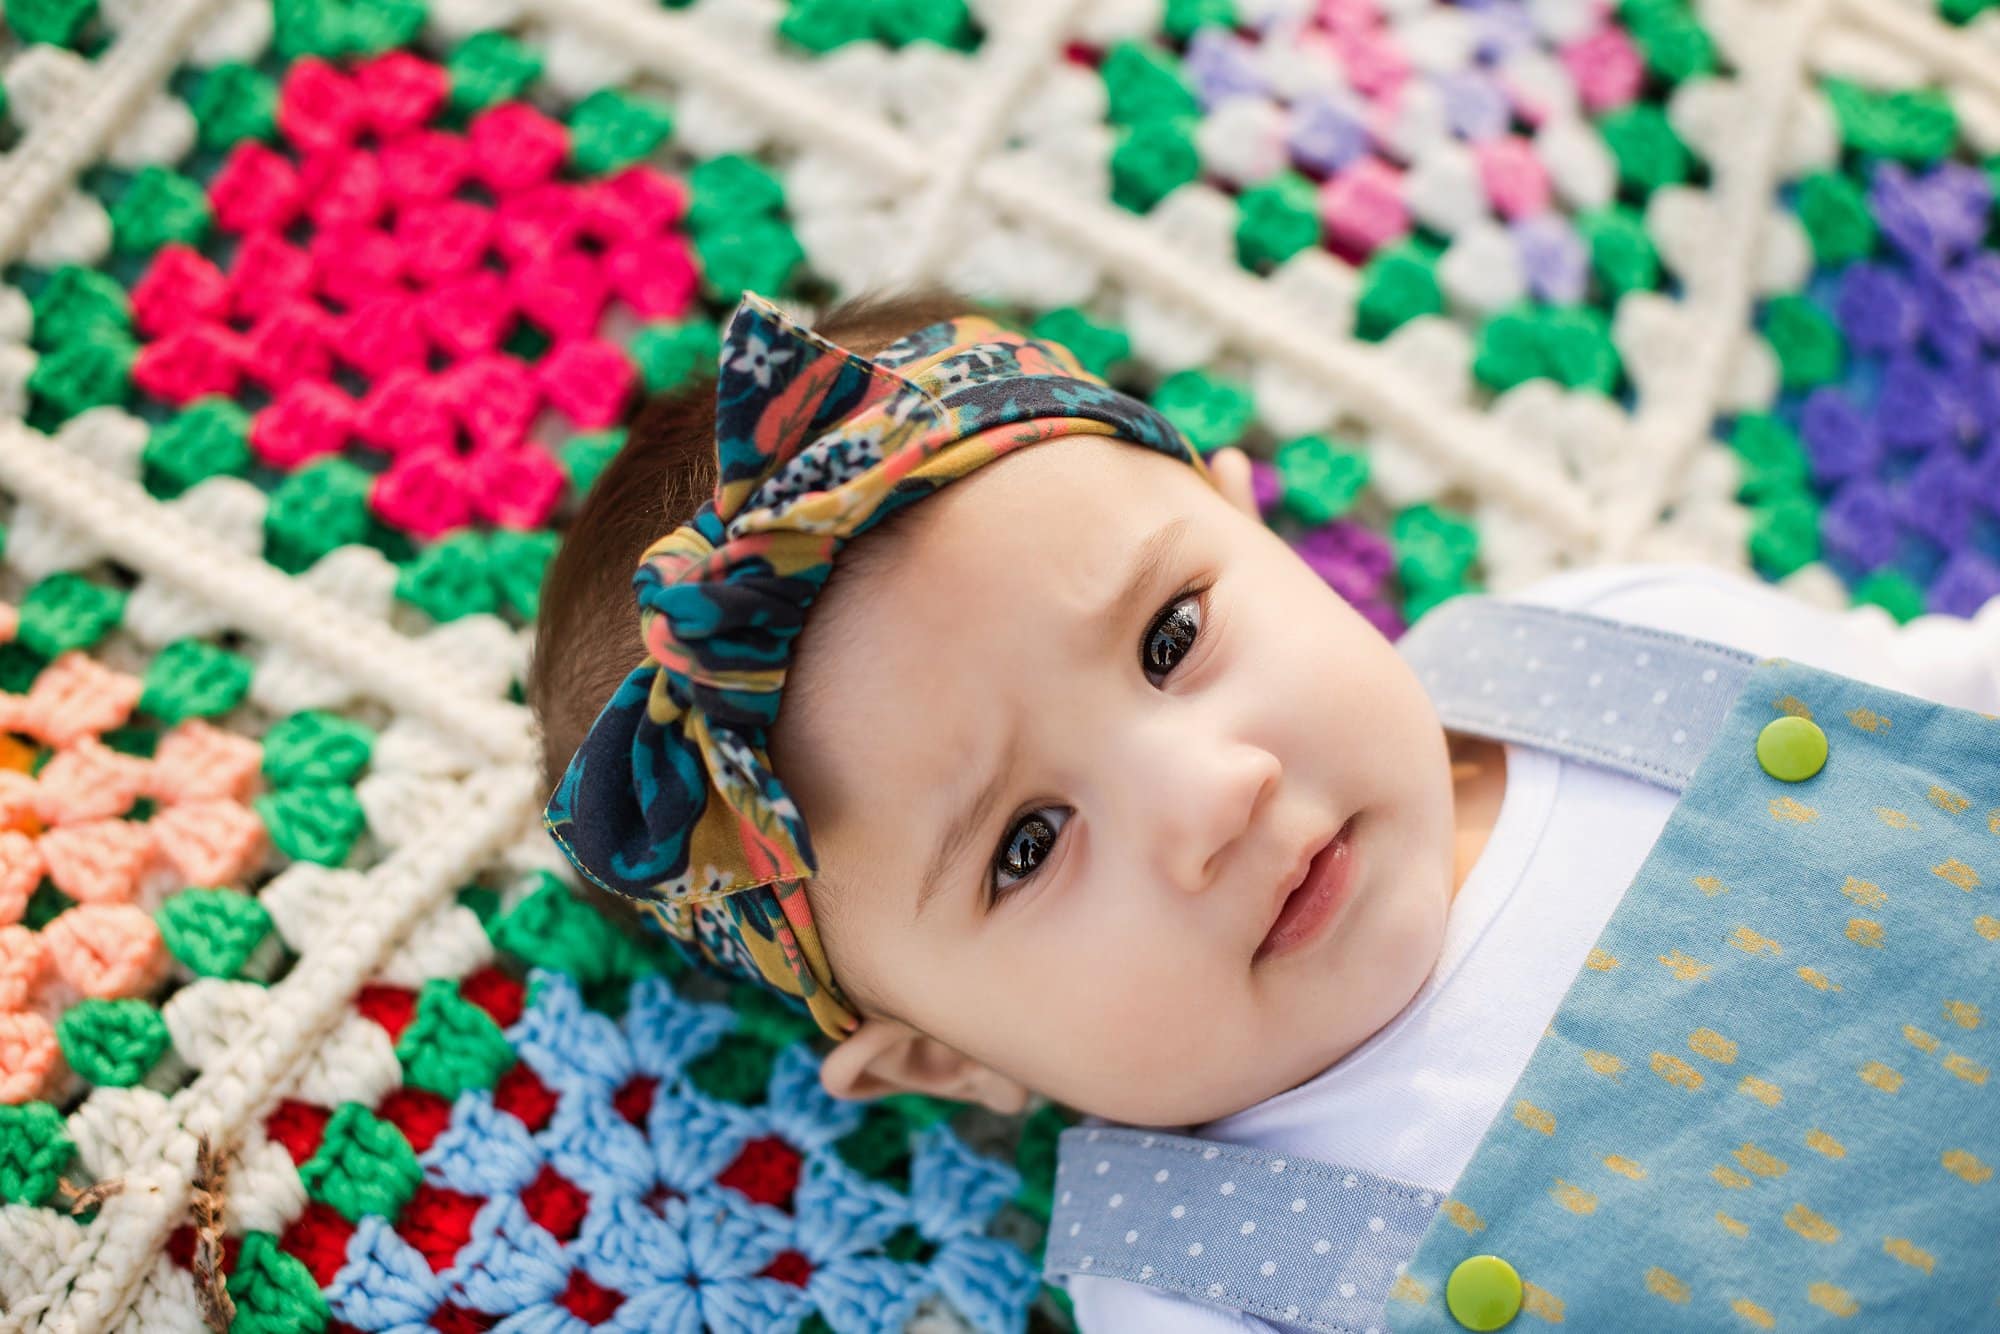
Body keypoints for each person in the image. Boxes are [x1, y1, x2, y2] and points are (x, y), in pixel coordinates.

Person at [527, 288, 2000, 1332]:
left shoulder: (1610, 652)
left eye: (1172, 638)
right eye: (1026, 845)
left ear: (1256, 523)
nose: (1213, 798)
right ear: (938, 1054)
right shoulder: (1197, 1279)